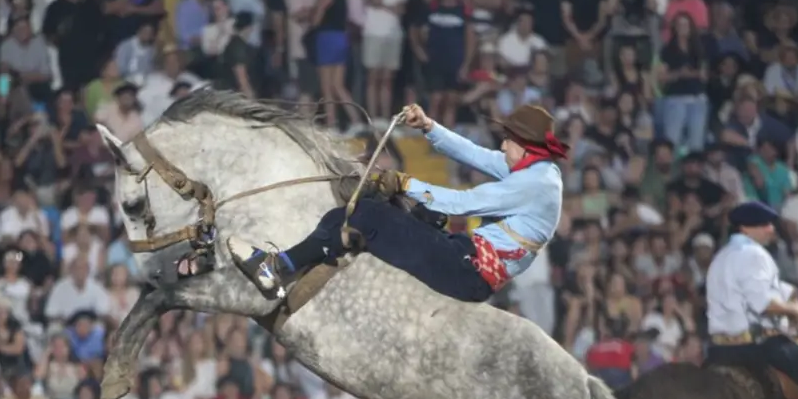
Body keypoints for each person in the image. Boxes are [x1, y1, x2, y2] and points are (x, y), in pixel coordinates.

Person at [228, 103, 567, 303]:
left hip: (467, 269)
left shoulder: (534, 183)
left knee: (366, 214)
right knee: (411, 212)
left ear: (527, 146)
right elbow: (475, 154)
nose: (503, 145)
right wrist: (429, 127)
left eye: (509, 139)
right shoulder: (536, 170)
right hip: (468, 260)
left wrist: (405, 183)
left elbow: (464, 203)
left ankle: (279, 267)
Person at [705, 201, 798, 399]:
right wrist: (796, 311)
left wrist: (790, 294)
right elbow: (762, 303)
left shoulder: (722, 256)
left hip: (719, 349)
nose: (771, 229)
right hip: (754, 346)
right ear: (745, 228)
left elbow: (756, 287)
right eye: (764, 225)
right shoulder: (753, 254)